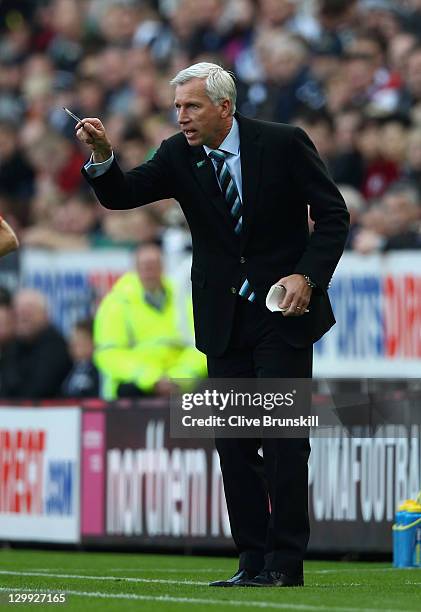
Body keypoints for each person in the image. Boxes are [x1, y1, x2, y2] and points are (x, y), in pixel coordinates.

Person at [78, 62, 349, 588]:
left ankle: (285, 564)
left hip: (282, 313)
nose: (181, 117)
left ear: (225, 107)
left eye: (192, 106)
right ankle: (251, 560)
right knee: (233, 441)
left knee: (285, 438)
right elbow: (120, 195)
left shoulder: (285, 142)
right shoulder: (178, 154)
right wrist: (103, 155)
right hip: (225, 319)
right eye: (177, 107)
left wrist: (308, 278)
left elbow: (334, 215)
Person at [93, 242, 206, 399]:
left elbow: (200, 347)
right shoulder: (116, 303)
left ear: (163, 267)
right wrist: (151, 378)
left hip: (179, 383)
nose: (149, 271)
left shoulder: (182, 299)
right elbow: (108, 354)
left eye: (154, 265)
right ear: (136, 269)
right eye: (145, 266)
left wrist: (179, 376)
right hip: (135, 385)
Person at [0, 288, 72, 399]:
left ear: (46, 314)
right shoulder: (13, 346)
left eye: (29, 309)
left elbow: (38, 390)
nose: (23, 315)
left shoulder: (55, 346)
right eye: (18, 310)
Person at [61, 318, 100, 398]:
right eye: (72, 341)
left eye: (80, 341)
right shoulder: (70, 369)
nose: (73, 346)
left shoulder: (100, 370)